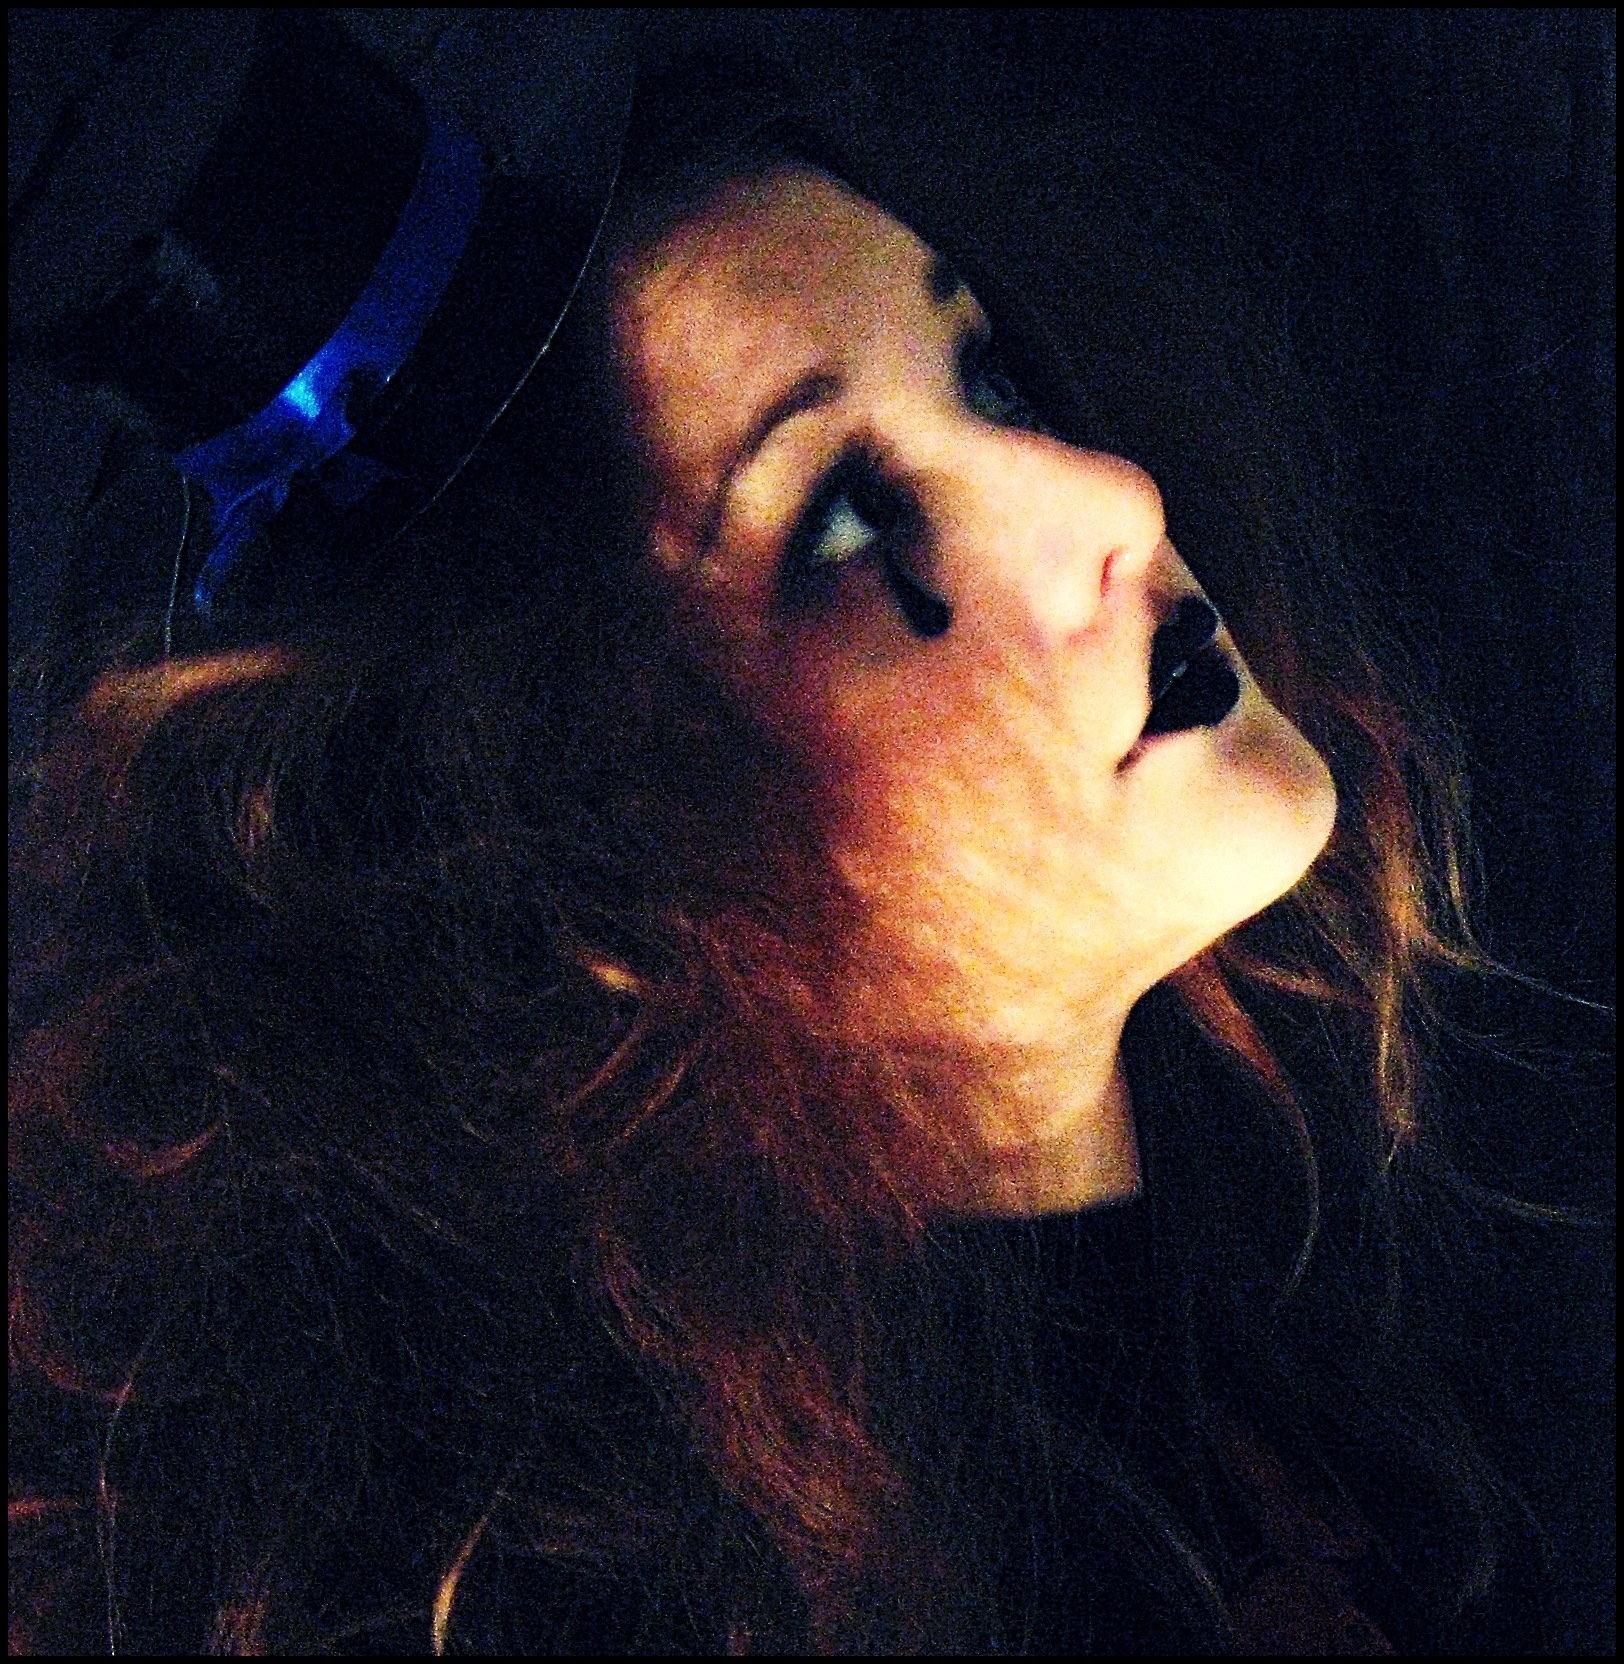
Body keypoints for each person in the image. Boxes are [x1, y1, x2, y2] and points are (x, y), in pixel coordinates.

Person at [9, 56, 1608, 1656]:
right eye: (848, 525)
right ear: (587, 858)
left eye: (993, 378)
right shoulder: (743, 1603)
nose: (1118, 494)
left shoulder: (1288, 1283)